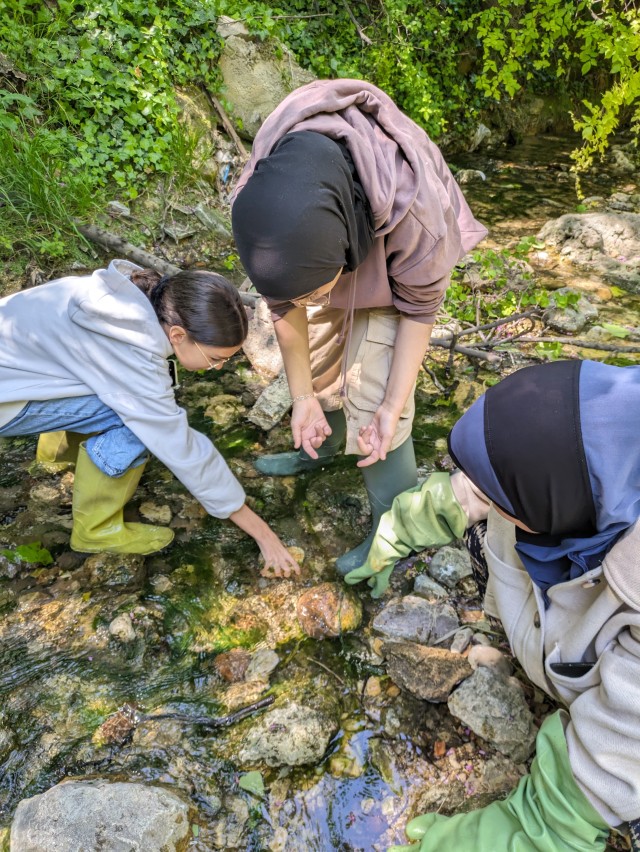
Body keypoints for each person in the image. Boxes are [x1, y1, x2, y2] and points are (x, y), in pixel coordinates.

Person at [345, 359, 640, 851]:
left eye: (498, 492)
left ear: (562, 498)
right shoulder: (576, 474)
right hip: (572, 628)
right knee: (487, 529)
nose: (480, 494)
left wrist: (533, 825)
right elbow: (459, 497)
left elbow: (626, 737)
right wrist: (392, 535)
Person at [231, 78, 487, 574]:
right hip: (323, 241)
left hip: (392, 258)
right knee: (323, 362)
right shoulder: (262, 197)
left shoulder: (418, 216)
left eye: (313, 293)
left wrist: (391, 407)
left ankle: (391, 528)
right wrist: (303, 397)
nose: (308, 305)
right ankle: (322, 445)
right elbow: (285, 305)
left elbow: (418, 312)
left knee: (375, 391)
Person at [0, 260, 299, 578]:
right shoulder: (132, 353)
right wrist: (262, 533)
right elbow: (182, 449)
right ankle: (96, 528)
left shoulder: (132, 297)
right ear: (178, 334)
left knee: (119, 400)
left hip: (17, 374)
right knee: (133, 423)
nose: (219, 368)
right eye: (215, 359)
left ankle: (57, 457)